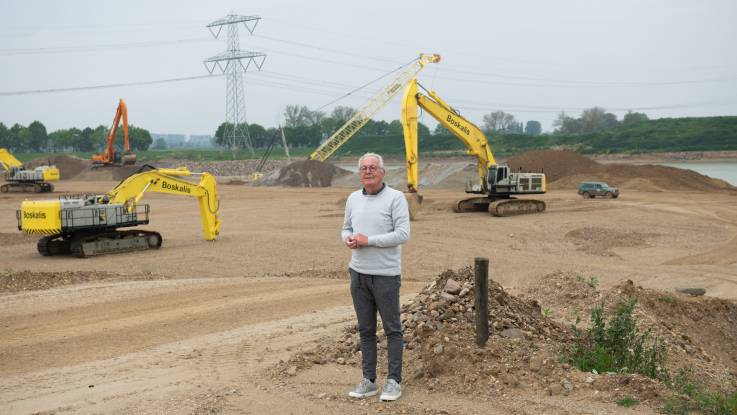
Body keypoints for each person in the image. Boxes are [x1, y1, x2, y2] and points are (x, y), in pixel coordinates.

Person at [341, 152, 410, 402]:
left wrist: (368, 241)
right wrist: (348, 239)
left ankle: (393, 381)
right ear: (359, 173)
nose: (368, 171)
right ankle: (368, 380)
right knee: (366, 330)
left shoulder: (396, 198)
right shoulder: (352, 199)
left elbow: (403, 234)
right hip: (358, 274)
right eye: (363, 168)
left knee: (392, 329)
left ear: (382, 172)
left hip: (385, 276)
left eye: (373, 167)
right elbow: (346, 227)